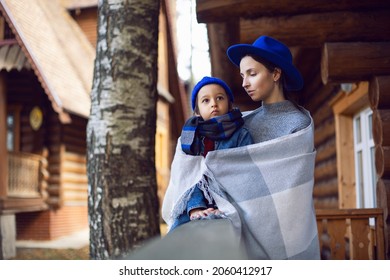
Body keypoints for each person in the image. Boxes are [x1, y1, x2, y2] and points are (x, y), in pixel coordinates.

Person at [162, 36, 320, 259]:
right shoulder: (242, 124)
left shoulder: (298, 124)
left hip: (286, 226)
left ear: (275, 74)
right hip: (236, 224)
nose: (245, 83)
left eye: (252, 74)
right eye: (242, 75)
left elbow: (291, 187)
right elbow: (219, 171)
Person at [168, 76, 253, 232]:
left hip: (232, 201)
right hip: (196, 202)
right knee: (179, 233)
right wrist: (195, 208)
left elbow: (247, 175)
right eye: (206, 101)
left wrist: (223, 204)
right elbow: (188, 177)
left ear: (229, 103)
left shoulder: (241, 135)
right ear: (197, 111)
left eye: (219, 98)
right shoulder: (191, 138)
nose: (214, 103)